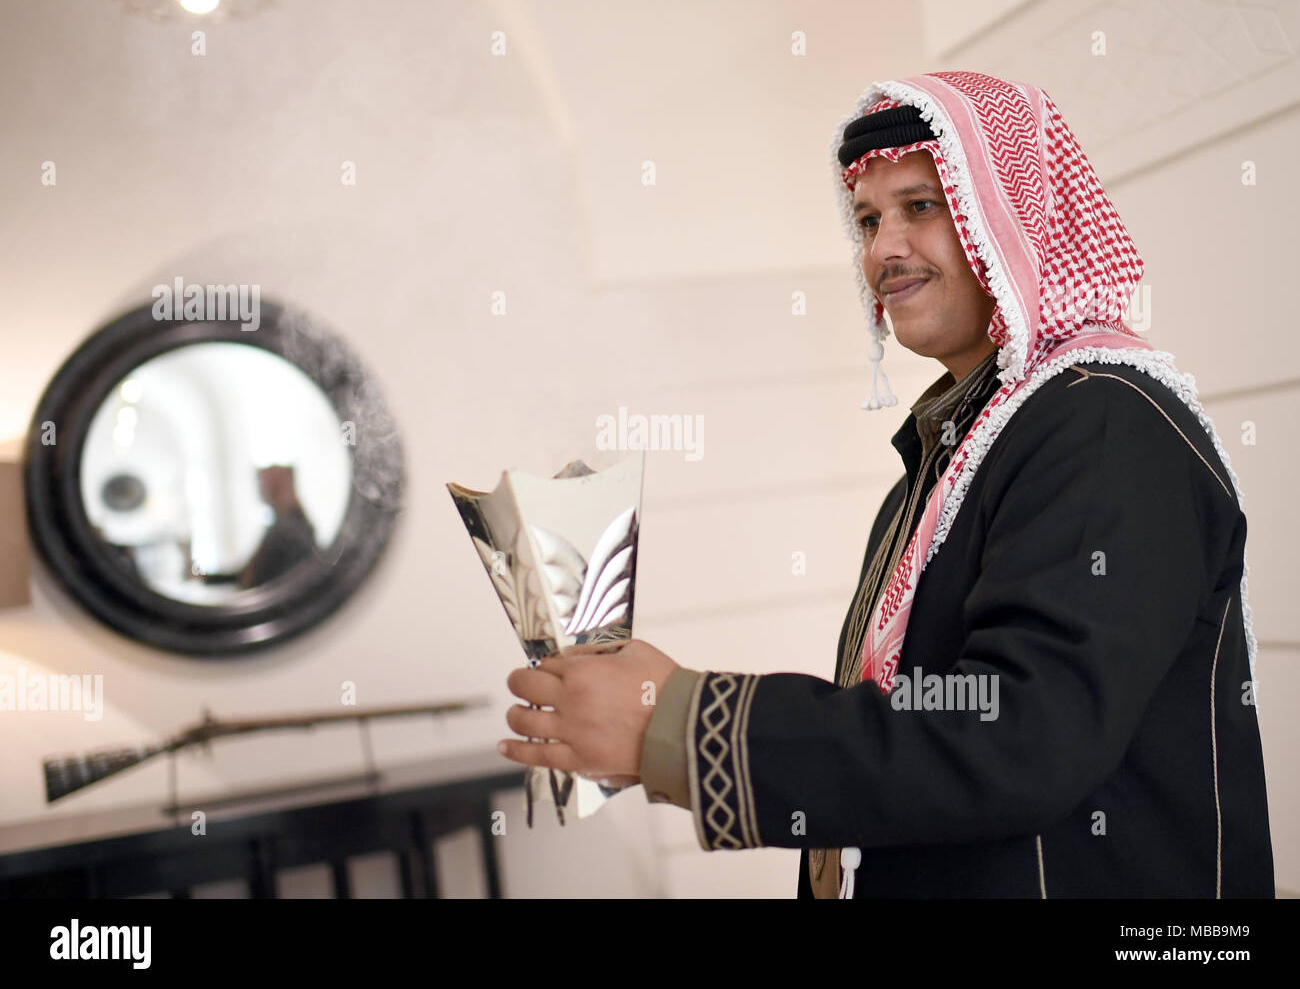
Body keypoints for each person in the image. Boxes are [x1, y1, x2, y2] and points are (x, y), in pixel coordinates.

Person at [497, 70, 1274, 898]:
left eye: (921, 206)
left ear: (1012, 216)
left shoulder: (1105, 424)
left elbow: (1021, 736)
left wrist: (679, 724)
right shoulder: (949, 459)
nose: (881, 250)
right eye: (867, 220)